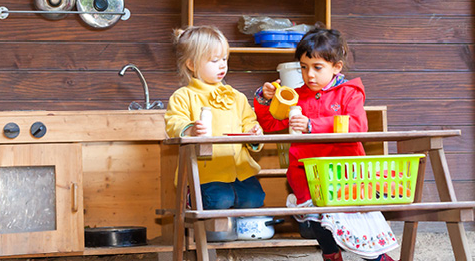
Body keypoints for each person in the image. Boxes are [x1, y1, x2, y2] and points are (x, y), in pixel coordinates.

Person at [255, 26, 398, 261]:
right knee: (319, 222)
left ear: (336, 67)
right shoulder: (295, 96)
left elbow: (357, 126)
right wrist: (264, 98)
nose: (309, 74)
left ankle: (379, 259)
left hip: (345, 174)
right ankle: (331, 255)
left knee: (356, 223)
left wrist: (312, 125)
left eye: (317, 67)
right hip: (306, 175)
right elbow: (270, 124)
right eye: (303, 67)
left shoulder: (349, 93)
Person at [165, 25, 265, 211]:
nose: (222, 65)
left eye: (224, 59)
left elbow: (249, 122)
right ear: (192, 65)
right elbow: (173, 123)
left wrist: (254, 133)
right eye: (214, 60)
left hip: (240, 169)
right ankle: (191, 198)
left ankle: (234, 227)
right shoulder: (183, 96)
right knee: (219, 200)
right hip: (205, 171)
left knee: (255, 198)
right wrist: (190, 129)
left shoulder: (237, 96)